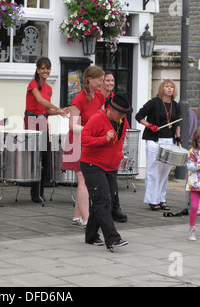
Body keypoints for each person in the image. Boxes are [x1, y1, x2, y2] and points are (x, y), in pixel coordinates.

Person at [80, 93, 131, 252]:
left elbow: (119, 140)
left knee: (102, 201)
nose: (122, 117)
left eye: (124, 114)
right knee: (104, 200)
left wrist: (119, 155)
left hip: (111, 166)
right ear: (111, 109)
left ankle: (91, 235)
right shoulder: (97, 119)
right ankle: (113, 237)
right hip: (92, 164)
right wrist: (103, 139)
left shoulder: (122, 120)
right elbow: (83, 139)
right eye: (120, 113)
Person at [62, 66, 105, 228]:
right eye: (100, 80)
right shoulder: (78, 99)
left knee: (85, 179)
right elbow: (72, 125)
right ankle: (88, 220)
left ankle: (76, 217)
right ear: (90, 80)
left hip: (89, 142)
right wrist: (90, 131)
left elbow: (101, 117)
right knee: (83, 180)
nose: (102, 83)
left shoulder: (100, 97)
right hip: (77, 142)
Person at [24, 57, 69, 203]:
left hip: (43, 121)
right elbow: (40, 101)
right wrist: (58, 108)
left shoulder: (49, 88)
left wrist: (60, 112)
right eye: (43, 68)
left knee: (44, 157)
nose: (46, 71)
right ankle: (34, 191)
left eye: (48, 68)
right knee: (34, 157)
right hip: (31, 120)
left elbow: (46, 110)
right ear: (37, 70)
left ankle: (40, 190)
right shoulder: (33, 84)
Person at [135, 79, 181, 211]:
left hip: (169, 141)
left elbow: (177, 124)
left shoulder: (176, 106)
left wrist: (178, 136)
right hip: (154, 140)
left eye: (171, 86)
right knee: (153, 170)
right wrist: (149, 125)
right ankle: (152, 199)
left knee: (165, 171)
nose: (169, 88)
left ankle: (161, 199)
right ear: (162, 88)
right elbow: (139, 116)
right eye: (166, 86)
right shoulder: (154, 102)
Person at [100, 71, 128, 223]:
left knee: (112, 179)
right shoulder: (97, 98)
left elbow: (123, 126)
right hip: (99, 140)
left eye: (112, 80)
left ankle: (115, 207)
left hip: (113, 144)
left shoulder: (115, 99)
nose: (110, 83)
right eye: (107, 80)